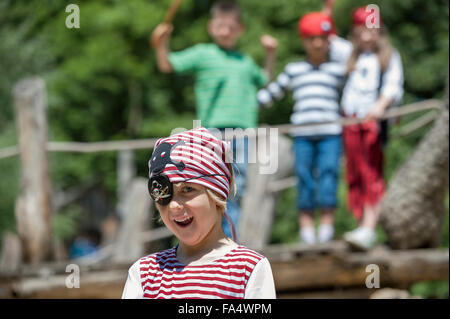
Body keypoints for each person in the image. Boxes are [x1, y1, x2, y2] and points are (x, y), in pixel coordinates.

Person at [151, 1, 278, 239]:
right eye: (221, 26)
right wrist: (162, 43)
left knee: (237, 189)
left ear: (240, 29)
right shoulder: (203, 54)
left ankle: (229, 240)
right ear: (211, 27)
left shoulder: (245, 61)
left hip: (243, 133)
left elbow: (266, 79)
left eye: (231, 27)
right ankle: (209, 238)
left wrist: (270, 55)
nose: (226, 31)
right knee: (208, 186)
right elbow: (167, 64)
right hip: (212, 133)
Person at [122, 127, 276, 299]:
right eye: (164, 193)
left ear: (216, 194)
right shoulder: (145, 274)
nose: (173, 205)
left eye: (188, 189)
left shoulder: (247, 269)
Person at [258, 12, 346, 245]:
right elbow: (271, 94)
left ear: (329, 40)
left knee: (329, 176)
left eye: (322, 38)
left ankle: (326, 230)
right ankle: (307, 234)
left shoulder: (338, 69)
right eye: (312, 38)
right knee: (304, 179)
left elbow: (355, 73)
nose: (317, 43)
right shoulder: (294, 69)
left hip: (330, 133)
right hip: (303, 134)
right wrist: (249, 103)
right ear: (303, 40)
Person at [324, 2, 404, 250]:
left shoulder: (389, 57)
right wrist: (327, 13)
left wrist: (380, 106)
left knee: (371, 174)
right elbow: (328, 37)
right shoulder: (350, 54)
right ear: (356, 33)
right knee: (355, 173)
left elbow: (393, 85)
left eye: (372, 31)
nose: (367, 36)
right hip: (351, 121)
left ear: (380, 32)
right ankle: (361, 225)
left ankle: (370, 226)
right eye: (362, 31)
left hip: (372, 124)